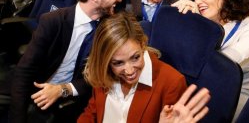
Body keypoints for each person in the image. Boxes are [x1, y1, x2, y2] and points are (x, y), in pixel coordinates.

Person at [9, 0, 122, 123]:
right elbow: (24, 72)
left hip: (78, 99)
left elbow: (102, 78)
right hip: (41, 92)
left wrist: (63, 90)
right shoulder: (53, 22)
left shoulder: (110, 27)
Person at [78, 12, 211, 123]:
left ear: (142, 44)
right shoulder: (104, 71)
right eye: (118, 63)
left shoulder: (171, 83)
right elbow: (91, 113)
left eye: (135, 57)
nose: (129, 71)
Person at [171, 0, 249, 121]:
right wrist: (184, 19)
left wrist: (198, 26)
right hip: (199, 87)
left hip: (240, 92)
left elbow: (221, 67)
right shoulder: (200, 20)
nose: (197, 1)